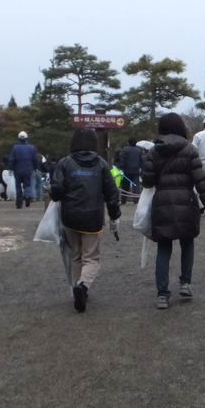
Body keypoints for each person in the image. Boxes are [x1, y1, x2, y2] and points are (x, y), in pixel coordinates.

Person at [142, 112, 205, 310]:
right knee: (187, 242)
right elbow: (201, 183)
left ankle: (162, 294)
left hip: (162, 203)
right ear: (181, 128)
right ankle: (185, 283)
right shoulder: (190, 150)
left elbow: (147, 181)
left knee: (164, 247)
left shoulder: (153, 151)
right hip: (186, 201)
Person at [50, 127, 122, 313]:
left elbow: (56, 191)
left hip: (70, 217)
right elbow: (111, 193)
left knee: (76, 255)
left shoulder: (65, 163)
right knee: (91, 258)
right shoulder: (101, 164)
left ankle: (76, 289)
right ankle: (83, 286)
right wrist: (114, 215)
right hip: (93, 217)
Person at [7, 131, 41, 208]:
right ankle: (28, 195)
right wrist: (36, 167)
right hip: (28, 169)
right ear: (26, 138)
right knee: (27, 184)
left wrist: (10, 168)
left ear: (19, 139)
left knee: (18, 186)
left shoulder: (15, 148)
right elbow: (35, 159)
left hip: (18, 170)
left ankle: (19, 203)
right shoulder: (32, 148)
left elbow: (12, 159)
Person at [114, 138, 144, 204]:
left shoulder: (125, 149)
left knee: (125, 186)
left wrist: (120, 167)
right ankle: (136, 200)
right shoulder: (139, 150)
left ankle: (123, 200)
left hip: (126, 171)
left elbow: (122, 160)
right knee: (136, 186)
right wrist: (142, 168)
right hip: (136, 171)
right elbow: (142, 161)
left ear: (128, 142)